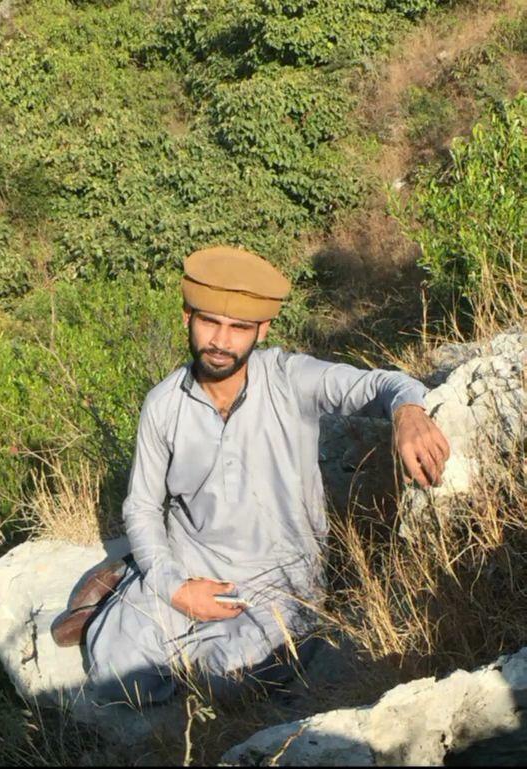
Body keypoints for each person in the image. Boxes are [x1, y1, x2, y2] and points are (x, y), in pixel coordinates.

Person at [52, 245, 450, 705]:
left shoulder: (290, 379)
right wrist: (174, 589)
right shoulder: (163, 404)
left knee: (230, 683)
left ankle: (129, 587)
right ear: (187, 318)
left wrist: (407, 412)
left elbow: (382, 383)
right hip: (190, 563)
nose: (221, 342)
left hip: (277, 582)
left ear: (262, 330)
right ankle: (135, 583)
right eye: (209, 322)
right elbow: (141, 505)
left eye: (238, 328)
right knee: (118, 680)